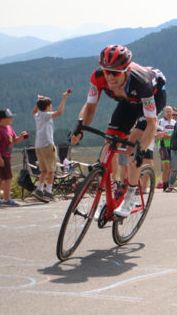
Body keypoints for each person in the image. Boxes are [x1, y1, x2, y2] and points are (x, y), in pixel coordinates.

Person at [70, 45, 166, 216]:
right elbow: (90, 108)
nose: (110, 77)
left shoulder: (141, 82)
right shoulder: (98, 77)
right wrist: (79, 128)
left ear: (126, 71)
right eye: (107, 71)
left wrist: (141, 149)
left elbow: (152, 123)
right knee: (110, 142)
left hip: (151, 99)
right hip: (127, 102)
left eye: (116, 73)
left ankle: (129, 198)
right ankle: (112, 194)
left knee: (133, 150)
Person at [31, 90, 70, 201]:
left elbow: (33, 112)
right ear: (48, 106)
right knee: (52, 170)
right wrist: (64, 98)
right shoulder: (46, 115)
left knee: (44, 170)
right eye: (50, 105)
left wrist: (38, 101)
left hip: (38, 145)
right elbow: (59, 112)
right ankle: (48, 191)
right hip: (48, 144)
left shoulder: (38, 115)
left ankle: (39, 189)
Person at [0, 109, 29, 206]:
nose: (11, 118)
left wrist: (22, 136)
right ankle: (6, 199)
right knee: (8, 178)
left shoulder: (9, 128)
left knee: (0, 178)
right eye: (9, 117)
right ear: (2, 119)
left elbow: (15, 140)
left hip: (7, 156)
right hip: (2, 157)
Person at [156, 105, 176, 191]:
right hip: (163, 146)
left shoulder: (174, 122)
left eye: (170, 111)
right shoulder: (160, 121)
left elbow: (174, 135)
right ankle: (165, 186)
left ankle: (169, 185)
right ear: (164, 112)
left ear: (172, 112)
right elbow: (160, 134)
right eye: (167, 111)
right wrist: (167, 135)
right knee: (166, 167)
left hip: (172, 146)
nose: (169, 113)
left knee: (171, 167)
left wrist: (168, 135)